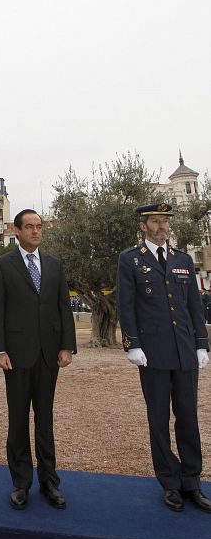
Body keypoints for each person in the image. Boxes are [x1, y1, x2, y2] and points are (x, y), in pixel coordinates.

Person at [117, 203, 210, 513]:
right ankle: (170, 483)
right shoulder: (131, 260)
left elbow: (194, 306)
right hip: (153, 354)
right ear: (144, 226)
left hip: (184, 352)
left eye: (165, 222)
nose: (162, 227)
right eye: (155, 222)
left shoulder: (182, 260)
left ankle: (192, 481)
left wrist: (201, 344)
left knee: (188, 418)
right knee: (158, 420)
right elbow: (126, 305)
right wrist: (133, 344)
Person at [0, 209, 76, 511]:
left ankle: (50, 482)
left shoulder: (54, 264)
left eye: (39, 227)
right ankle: (21, 483)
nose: (36, 232)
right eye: (30, 227)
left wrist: (67, 346)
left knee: (46, 419)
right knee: (18, 420)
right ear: (16, 231)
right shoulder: (2, 265)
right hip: (16, 356)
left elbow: (64, 307)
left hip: (49, 354)